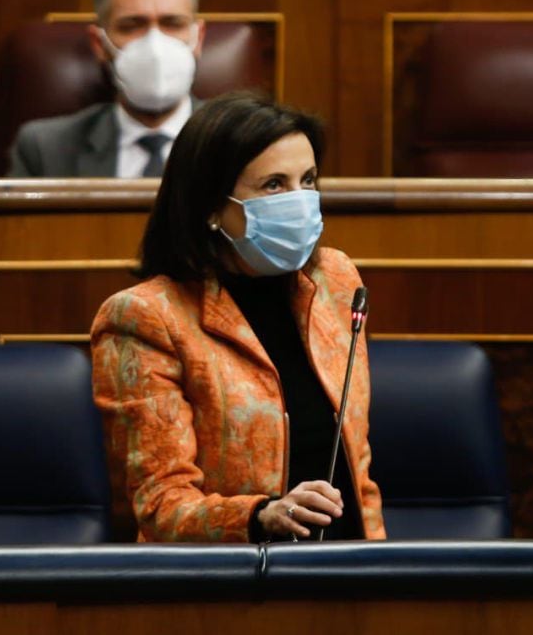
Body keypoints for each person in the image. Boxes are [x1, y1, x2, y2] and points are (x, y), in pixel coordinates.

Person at [90, 93, 386, 543]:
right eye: (273, 185)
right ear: (211, 206)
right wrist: (261, 515)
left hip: (351, 568)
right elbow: (161, 506)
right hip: (228, 584)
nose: (300, 200)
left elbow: (357, 469)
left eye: (308, 180)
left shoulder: (334, 280)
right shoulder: (146, 318)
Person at [8, 0, 204, 178]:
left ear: (198, 37)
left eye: (172, 24)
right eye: (131, 26)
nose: (155, 45)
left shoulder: (245, 145)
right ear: (99, 43)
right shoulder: (45, 150)